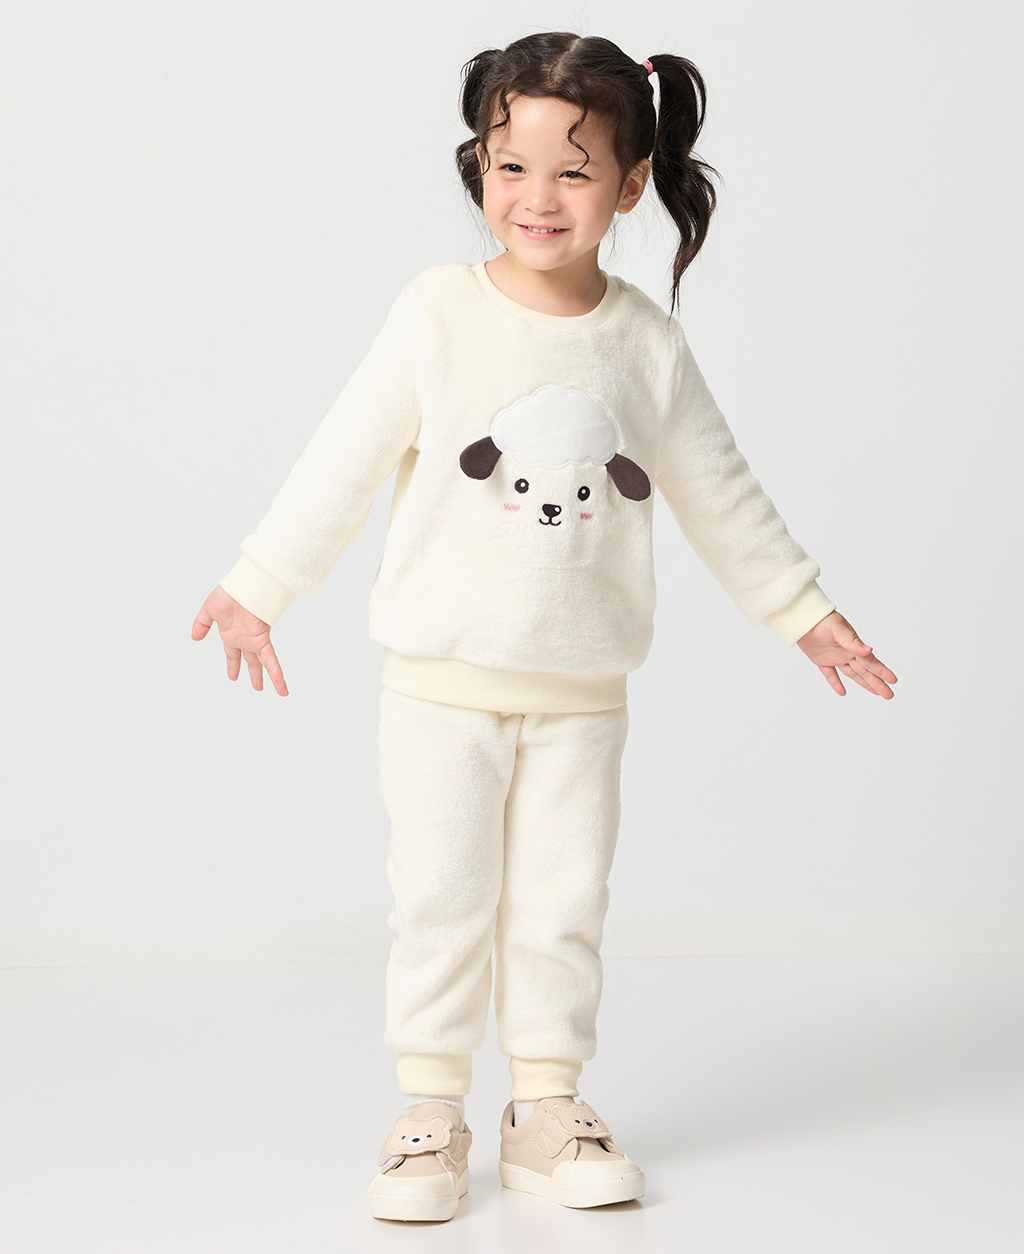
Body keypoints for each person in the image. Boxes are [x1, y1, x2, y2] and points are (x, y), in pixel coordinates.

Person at [191, 31, 898, 1223]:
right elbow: (344, 458)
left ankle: (545, 1109)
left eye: (574, 171)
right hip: (440, 687)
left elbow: (719, 488)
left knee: (562, 906)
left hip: (582, 695)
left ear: (629, 184)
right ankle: (430, 1110)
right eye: (510, 165)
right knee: (440, 899)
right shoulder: (435, 314)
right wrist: (261, 581)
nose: (536, 196)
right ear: (478, 165)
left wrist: (801, 610)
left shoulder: (644, 341)